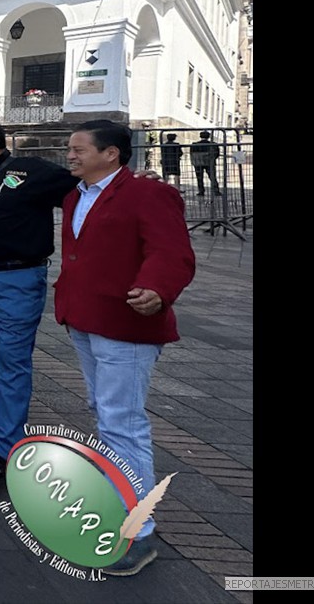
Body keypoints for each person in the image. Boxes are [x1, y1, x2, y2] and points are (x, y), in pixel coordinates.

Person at [56, 121, 196, 577]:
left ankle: (137, 532)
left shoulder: (146, 194)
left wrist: (157, 288)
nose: (70, 155)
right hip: (85, 318)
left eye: (78, 149)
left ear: (111, 153)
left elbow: (171, 251)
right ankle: (117, 503)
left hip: (126, 324)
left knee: (123, 423)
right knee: (106, 412)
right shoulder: (77, 195)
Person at [0, 116, 77, 479]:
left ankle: (6, 448)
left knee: (12, 361)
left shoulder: (29, 169)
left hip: (16, 277)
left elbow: (82, 188)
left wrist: (135, 183)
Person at [190, 130, 222, 196]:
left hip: (198, 163)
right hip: (210, 163)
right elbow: (217, 154)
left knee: (199, 178)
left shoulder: (195, 145)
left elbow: (192, 154)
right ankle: (216, 191)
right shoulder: (213, 144)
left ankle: (201, 191)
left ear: (200, 136)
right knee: (212, 177)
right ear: (209, 136)